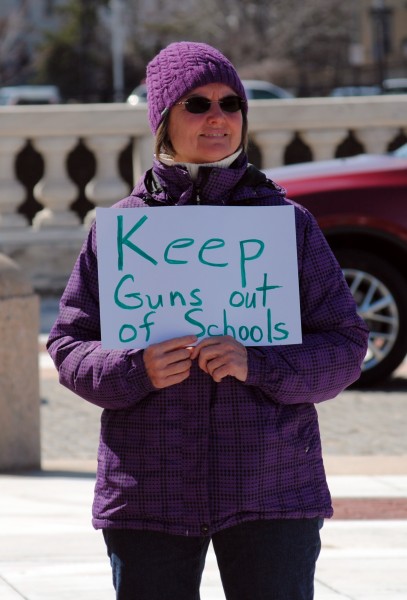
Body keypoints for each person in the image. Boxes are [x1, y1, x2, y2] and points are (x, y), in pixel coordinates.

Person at [47, 41, 369, 600]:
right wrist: (133, 367)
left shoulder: (287, 223)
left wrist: (260, 364)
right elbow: (69, 344)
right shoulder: (121, 231)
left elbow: (346, 346)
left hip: (273, 487)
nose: (217, 117)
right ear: (163, 120)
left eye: (231, 103)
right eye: (196, 104)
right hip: (149, 489)